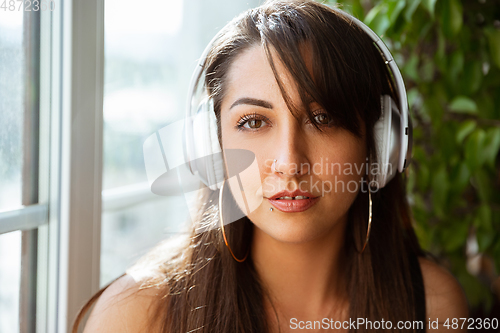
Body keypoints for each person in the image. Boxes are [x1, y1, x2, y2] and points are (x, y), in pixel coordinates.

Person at [73, 1, 469, 332]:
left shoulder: (431, 307)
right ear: (211, 144)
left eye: (324, 118)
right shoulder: (136, 313)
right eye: (253, 122)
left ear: (379, 144)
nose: (289, 163)